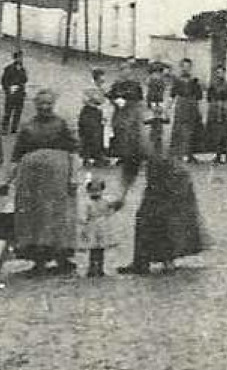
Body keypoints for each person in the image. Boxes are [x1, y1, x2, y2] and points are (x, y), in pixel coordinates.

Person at [118, 113, 209, 274]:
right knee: (146, 217)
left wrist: (123, 194)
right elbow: (131, 166)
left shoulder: (166, 138)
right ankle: (143, 260)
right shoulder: (141, 138)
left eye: (158, 124)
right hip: (160, 181)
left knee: (167, 219)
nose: (156, 128)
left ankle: (165, 259)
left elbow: (135, 165)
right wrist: (123, 194)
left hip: (175, 182)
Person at [3, 88, 80, 275]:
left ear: (53, 104)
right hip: (31, 180)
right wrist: (7, 180)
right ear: (35, 105)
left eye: (48, 103)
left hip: (57, 178)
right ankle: (38, 262)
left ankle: (62, 259)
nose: (45, 107)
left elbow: (74, 152)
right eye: (41, 104)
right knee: (33, 218)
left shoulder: (62, 125)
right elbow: (17, 155)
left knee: (57, 215)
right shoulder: (27, 126)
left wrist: (74, 176)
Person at [107, 61, 148, 192]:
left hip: (132, 110)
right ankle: (123, 155)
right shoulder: (116, 84)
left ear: (130, 71)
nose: (125, 72)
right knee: (120, 131)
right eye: (122, 70)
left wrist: (135, 107)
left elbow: (140, 99)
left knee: (133, 133)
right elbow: (110, 96)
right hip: (120, 111)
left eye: (127, 70)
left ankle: (134, 157)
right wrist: (115, 101)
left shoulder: (135, 84)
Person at [75, 175, 124, 277]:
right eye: (92, 190)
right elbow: (83, 215)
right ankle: (92, 268)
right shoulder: (87, 203)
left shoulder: (105, 202)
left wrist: (115, 207)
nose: (95, 193)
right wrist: (84, 225)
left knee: (101, 249)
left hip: (103, 226)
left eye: (97, 190)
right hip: (92, 226)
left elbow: (109, 212)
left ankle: (100, 268)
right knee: (93, 249)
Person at [170, 59, 205, 161]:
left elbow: (199, 98)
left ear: (191, 68)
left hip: (192, 106)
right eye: (184, 66)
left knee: (191, 130)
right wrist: (167, 110)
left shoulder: (195, 81)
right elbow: (172, 96)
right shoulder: (177, 81)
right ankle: (178, 154)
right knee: (179, 129)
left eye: (188, 67)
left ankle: (189, 153)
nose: (186, 69)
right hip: (181, 105)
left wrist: (200, 111)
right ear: (181, 67)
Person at [206, 67, 227, 162]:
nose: (219, 75)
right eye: (218, 73)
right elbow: (209, 98)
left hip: (226, 111)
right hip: (216, 112)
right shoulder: (213, 85)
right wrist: (214, 105)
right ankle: (218, 155)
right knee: (217, 134)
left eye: (221, 73)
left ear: (224, 73)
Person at [0, 51, 28, 135]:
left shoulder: (22, 69)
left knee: (18, 111)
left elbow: (25, 79)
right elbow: (4, 80)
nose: (20, 59)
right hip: (12, 92)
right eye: (19, 57)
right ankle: (5, 128)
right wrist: (8, 89)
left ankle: (14, 128)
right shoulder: (9, 68)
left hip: (20, 92)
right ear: (15, 58)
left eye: (21, 58)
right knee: (8, 111)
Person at [77, 90, 107, 167]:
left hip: (93, 131)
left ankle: (94, 158)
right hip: (91, 131)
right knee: (91, 143)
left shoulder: (93, 111)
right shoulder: (89, 111)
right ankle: (93, 158)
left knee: (92, 143)